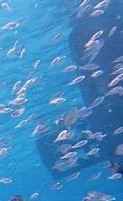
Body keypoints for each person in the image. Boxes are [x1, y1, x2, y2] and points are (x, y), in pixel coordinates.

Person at [36, 3, 123, 180]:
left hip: (97, 40)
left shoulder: (109, 145)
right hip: (98, 40)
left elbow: (50, 151)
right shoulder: (108, 146)